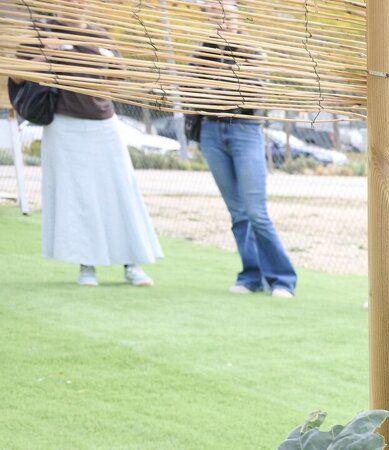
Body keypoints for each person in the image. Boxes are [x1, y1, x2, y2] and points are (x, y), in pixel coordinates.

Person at [17, 23, 160, 286]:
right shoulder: (44, 32)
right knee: (78, 196)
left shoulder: (100, 33)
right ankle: (87, 265)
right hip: (64, 125)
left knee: (119, 191)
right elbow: (17, 75)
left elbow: (119, 75)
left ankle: (132, 264)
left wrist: (105, 75)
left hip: (104, 124)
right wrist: (48, 53)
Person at [185, 0, 297, 297]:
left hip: (245, 130)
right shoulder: (202, 52)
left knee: (256, 211)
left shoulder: (253, 50)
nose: (219, 17)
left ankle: (283, 279)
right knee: (237, 212)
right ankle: (251, 275)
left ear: (237, 17)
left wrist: (219, 85)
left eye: (225, 12)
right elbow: (194, 92)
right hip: (211, 131)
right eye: (213, 12)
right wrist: (224, 84)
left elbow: (257, 92)